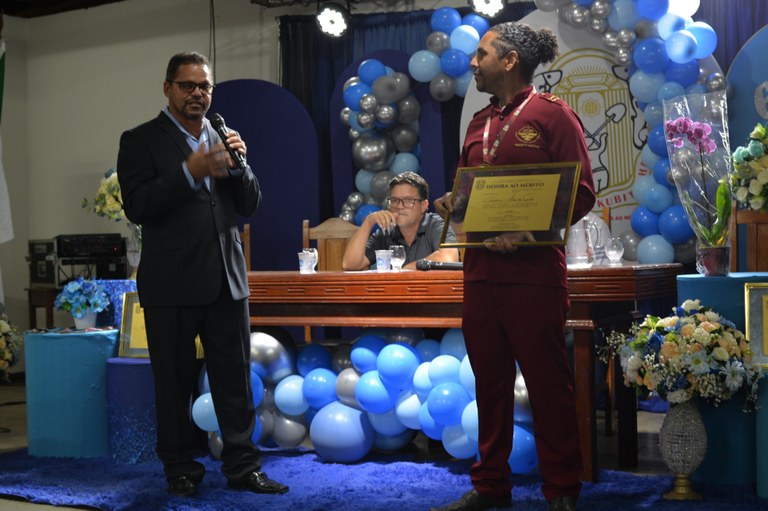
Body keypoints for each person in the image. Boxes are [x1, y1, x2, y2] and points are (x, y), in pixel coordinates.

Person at [431, 22, 596, 511]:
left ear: (509, 61)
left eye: (482, 54)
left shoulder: (553, 115)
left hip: (534, 274)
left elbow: (582, 193)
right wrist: (454, 204)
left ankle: (562, 489)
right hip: (481, 274)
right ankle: (490, 486)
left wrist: (530, 232)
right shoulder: (478, 121)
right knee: (490, 385)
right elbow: (469, 192)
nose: (472, 62)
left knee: (547, 385)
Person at [117, 51, 288, 498]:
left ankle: (243, 466)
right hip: (172, 282)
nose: (197, 93)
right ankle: (180, 469)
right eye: (188, 85)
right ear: (168, 88)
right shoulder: (140, 140)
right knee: (173, 384)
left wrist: (241, 165)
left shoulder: (221, 135)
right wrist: (188, 171)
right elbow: (138, 206)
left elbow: (250, 204)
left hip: (226, 280)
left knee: (235, 382)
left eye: (204, 86)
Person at [342, 172, 459, 271]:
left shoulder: (436, 225)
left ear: (424, 205)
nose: (399, 206)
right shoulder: (386, 232)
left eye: (408, 201)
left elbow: (448, 258)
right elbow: (350, 264)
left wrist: (406, 270)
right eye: (394, 200)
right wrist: (368, 223)